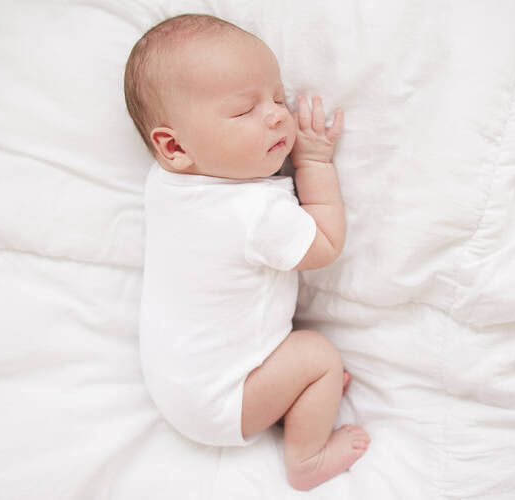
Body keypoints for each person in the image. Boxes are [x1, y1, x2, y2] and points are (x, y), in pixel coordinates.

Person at [125, 13, 369, 491]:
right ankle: (307, 460)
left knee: (303, 361)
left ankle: (288, 399)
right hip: (224, 402)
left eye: (278, 97)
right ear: (174, 145)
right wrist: (314, 161)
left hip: (181, 387)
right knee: (318, 356)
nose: (278, 114)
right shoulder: (253, 213)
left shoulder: (166, 185)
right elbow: (324, 245)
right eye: (244, 111)